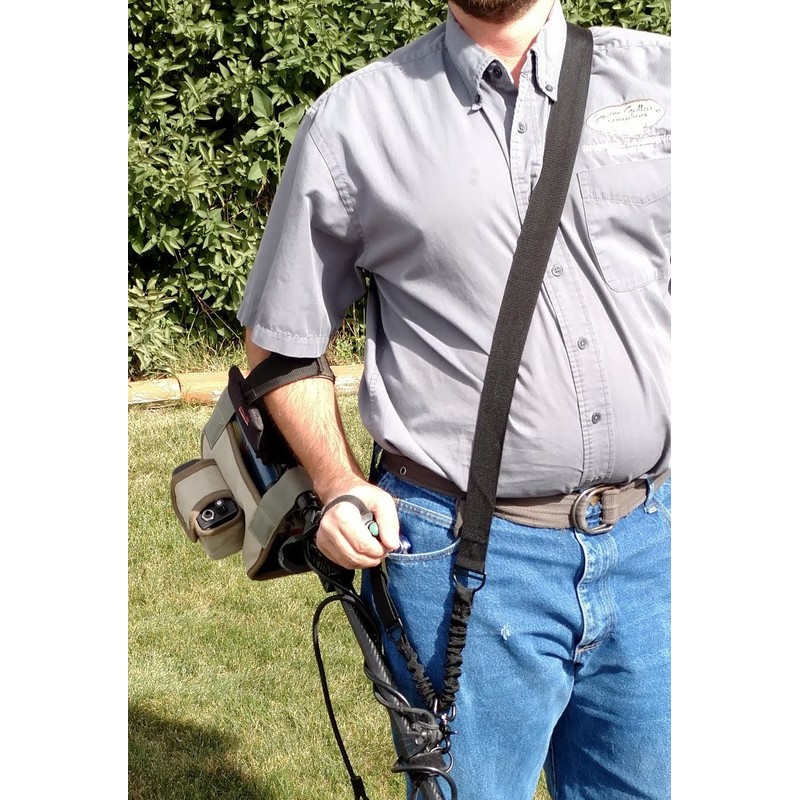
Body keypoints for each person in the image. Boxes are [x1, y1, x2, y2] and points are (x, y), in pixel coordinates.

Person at [237, 0, 671, 798]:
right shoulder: (357, 121)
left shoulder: (667, 81)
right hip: (462, 558)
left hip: (658, 545)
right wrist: (336, 483)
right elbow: (281, 347)